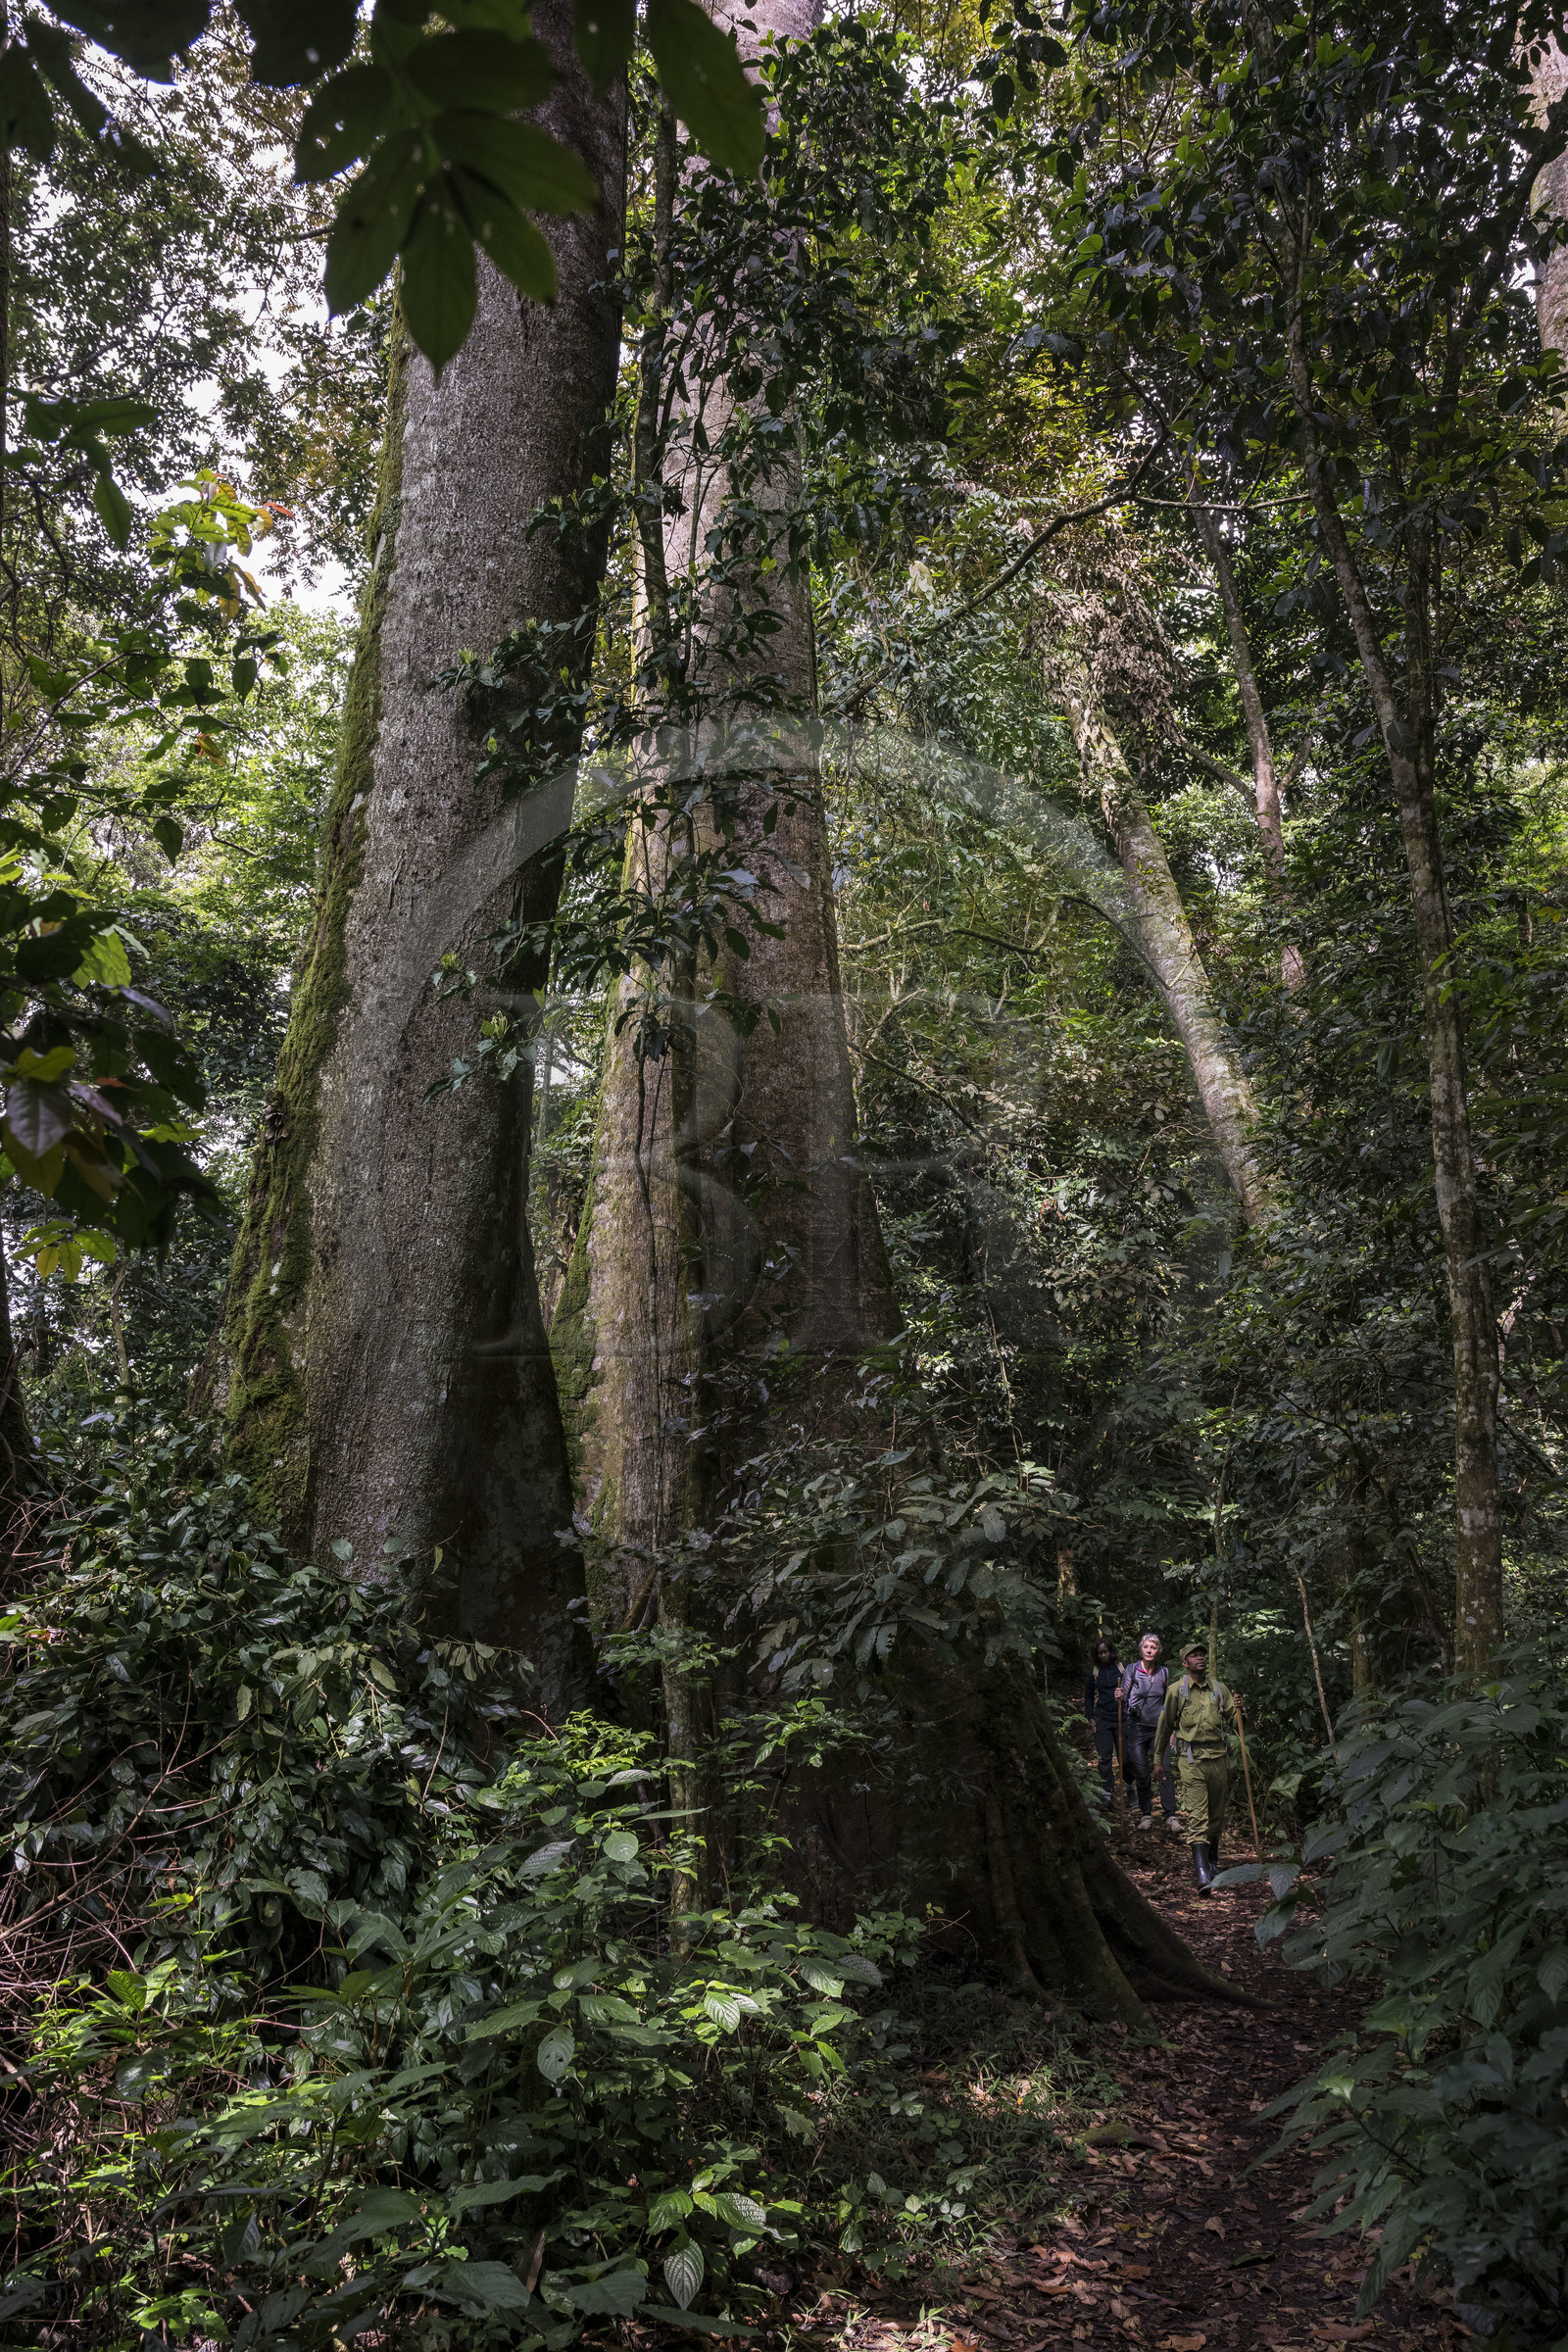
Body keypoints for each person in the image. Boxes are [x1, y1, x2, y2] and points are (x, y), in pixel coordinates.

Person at [1152, 1639, 1241, 1894]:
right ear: (1185, 1663)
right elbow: (1164, 1727)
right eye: (1194, 1655)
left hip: (1219, 1759)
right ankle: (1202, 1874)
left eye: (1202, 1654)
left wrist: (1241, 1711)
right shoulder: (1176, 1691)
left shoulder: (1219, 1689)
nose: (1200, 1658)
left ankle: (1212, 1862)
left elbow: (1236, 1724)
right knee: (1198, 1817)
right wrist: (1158, 1760)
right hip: (1191, 1761)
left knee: (1217, 1816)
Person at [1119, 1632, 1178, 1834]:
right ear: (1141, 1649)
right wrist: (1119, 1696)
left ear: (1158, 1650)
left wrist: (1171, 1730)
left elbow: (1168, 1702)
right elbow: (1124, 1696)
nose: (1149, 1650)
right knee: (1142, 1772)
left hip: (1160, 1730)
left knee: (1165, 1771)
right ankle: (1146, 1814)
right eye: (1146, 1647)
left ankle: (1171, 1815)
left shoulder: (1164, 1672)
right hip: (1136, 1728)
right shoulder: (1132, 1669)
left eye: (1153, 1647)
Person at [1082, 1636, 1122, 1810]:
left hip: (1121, 1718)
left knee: (1125, 1757)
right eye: (1100, 1653)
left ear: (1111, 1651)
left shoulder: (1121, 1668)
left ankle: (1130, 1789)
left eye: (1106, 1652)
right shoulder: (1094, 1672)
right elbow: (1089, 1696)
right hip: (1102, 1718)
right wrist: (1091, 1718)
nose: (1103, 1655)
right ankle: (1106, 1794)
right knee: (1104, 1758)